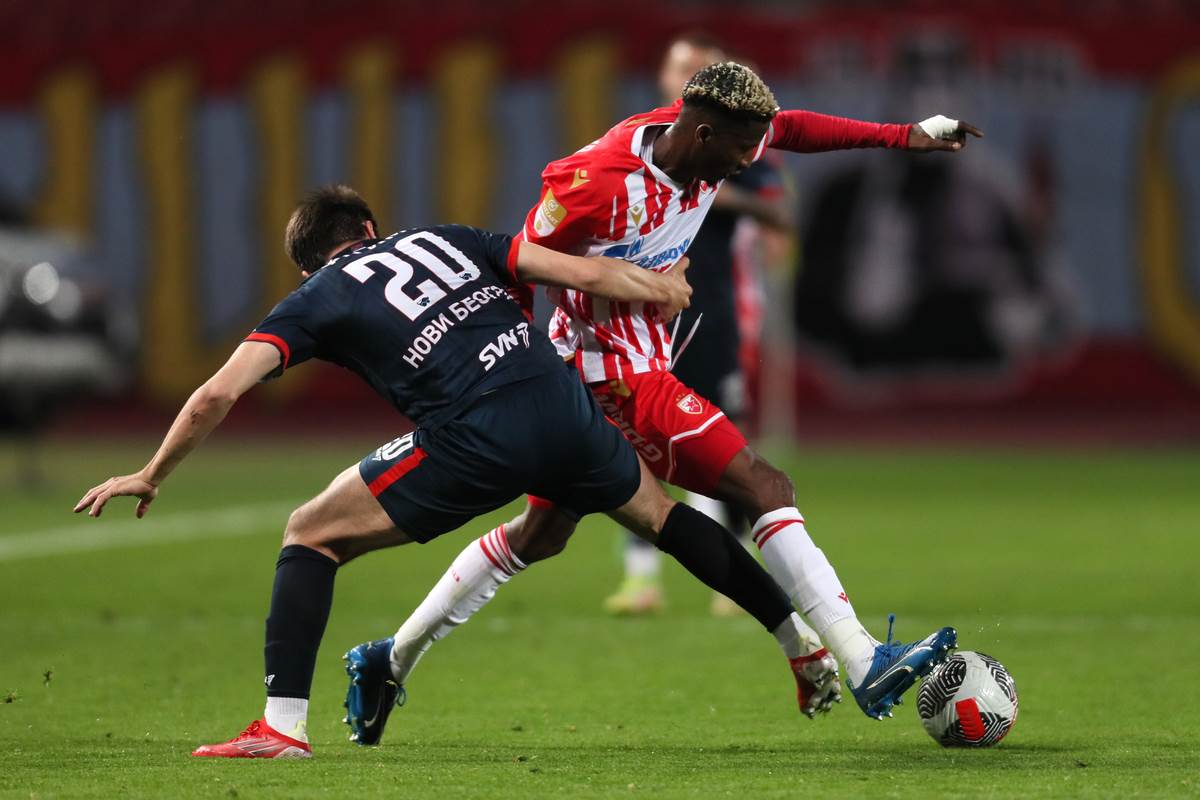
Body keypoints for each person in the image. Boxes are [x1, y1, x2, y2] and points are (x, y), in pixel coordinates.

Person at [73, 185, 837, 759]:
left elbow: (216, 393)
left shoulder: (317, 296)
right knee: (665, 519)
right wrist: (661, 287)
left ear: (313, 260)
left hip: (477, 433)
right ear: (370, 228)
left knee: (309, 533)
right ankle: (798, 643)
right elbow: (572, 269)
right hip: (562, 401)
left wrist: (151, 472)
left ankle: (282, 726)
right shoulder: (447, 237)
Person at [378, 62, 979, 729]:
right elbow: (520, 261)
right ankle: (863, 659)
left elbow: (797, 129)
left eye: (758, 143)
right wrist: (615, 295)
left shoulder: (708, 146)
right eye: (744, 146)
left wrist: (905, 136)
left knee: (540, 533)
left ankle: (390, 658)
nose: (755, 157)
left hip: (615, 369)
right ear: (699, 133)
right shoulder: (595, 182)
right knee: (762, 486)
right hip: (613, 375)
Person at [603, 33, 794, 618]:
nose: (683, 73)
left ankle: (728, 571)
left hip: (711, 308)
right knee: (630, 439)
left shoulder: (730, 154)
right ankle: (641, 577)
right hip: (638, 315)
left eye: (695, 67)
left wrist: (716, 189)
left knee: (719, 438)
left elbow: (775, 208)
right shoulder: (641, 142)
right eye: (677, 65)